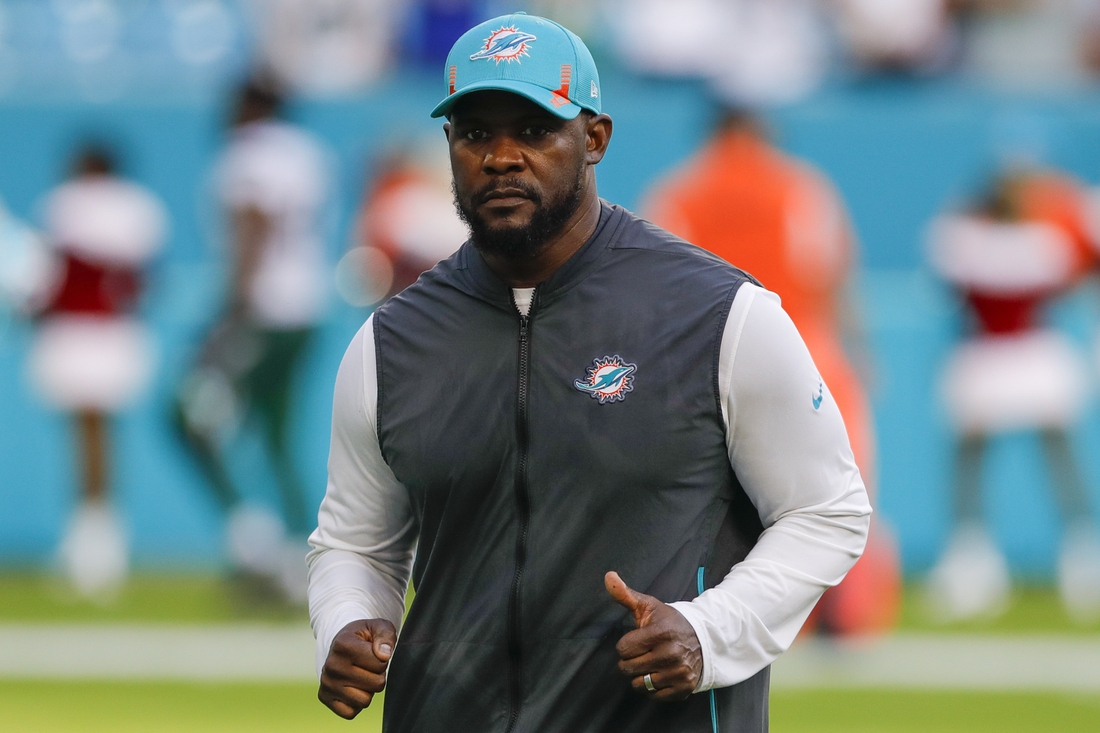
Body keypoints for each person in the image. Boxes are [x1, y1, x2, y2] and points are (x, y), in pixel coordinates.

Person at [307, 14, 870, 733]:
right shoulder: (392, 341)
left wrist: (708, 631)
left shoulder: (721, 313)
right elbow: (356, 542)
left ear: (594, 137)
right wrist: (349, 622)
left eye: (535, 129)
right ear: (449, 145)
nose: (502, 156)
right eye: (476, 132)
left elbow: (827, 510)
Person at [642, 109, 900, 635]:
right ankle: (846, 614)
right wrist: (862, 350)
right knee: (834, 488)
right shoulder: (799, 186)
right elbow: (832, 272)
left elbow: (655, 285)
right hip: (806, 344)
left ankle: (754, 616)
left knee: (730, 493)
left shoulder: (681, 189)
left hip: (710, 352)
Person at [173, 76, 332, 604]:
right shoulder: (307, 152)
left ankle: (255, 543)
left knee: (185, 414)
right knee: (276, 435)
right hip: (306, 309)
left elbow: (254, 225)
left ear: (249, 103)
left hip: (260, 312)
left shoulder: (249, 154)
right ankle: (295, 557)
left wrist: (231, 312)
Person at [927, 168, 1100, 623]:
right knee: (1057, 462)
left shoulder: (962, 240)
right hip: (1034, 362)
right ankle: (1080, 560)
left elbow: (951, 291)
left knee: (974, 466)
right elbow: (1072, 277)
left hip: (987, 363)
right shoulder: (1047, 242)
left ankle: (975, 566)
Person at [27, 144, 166, 600]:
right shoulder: (140, 209)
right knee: (95, 437)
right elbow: (145, 283)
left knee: (87, 438)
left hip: (81, 335)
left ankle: (96, 549)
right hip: (115, 334)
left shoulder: (67, 204)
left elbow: (50, 280)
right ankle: (94, 542)